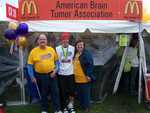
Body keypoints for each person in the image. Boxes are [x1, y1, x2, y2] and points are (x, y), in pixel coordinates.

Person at [27, 33, 62, 113]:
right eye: (41, 39)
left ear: (47, 41)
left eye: (44, 39)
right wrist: (32, 77)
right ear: (38, 41)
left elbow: (57, 62)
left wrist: (56, 70)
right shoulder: (33, 51)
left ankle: (57, 109)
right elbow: (29, 65)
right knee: (43, 93)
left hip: (52, 75)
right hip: (40, 76)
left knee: (55, 92)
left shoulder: (51, 49)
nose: (42, 40)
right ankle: (44, 109)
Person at [74, 39, 96, 113]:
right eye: (78, 45)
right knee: (80, 93)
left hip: (84, 78)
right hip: (77, 79)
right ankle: (81, 105)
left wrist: (88, 75)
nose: (79, 46)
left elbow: (90, 65)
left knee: (86, 94)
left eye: (81, 45)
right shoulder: (76, 54)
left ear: (83, 46)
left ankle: (87, 108)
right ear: (76, 46)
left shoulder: (86, 54)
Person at [56, 32, 75, 113]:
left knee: (71, 91)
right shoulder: (57, 49)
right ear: (61, 41)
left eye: (67, 40)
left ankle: (70, 106)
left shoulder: (73, 48)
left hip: (71, 73)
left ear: (69, 40)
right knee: (62, 91)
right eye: (64, 40)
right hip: (61, 74)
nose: (65, 42)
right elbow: (56, 60)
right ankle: (64, 107)